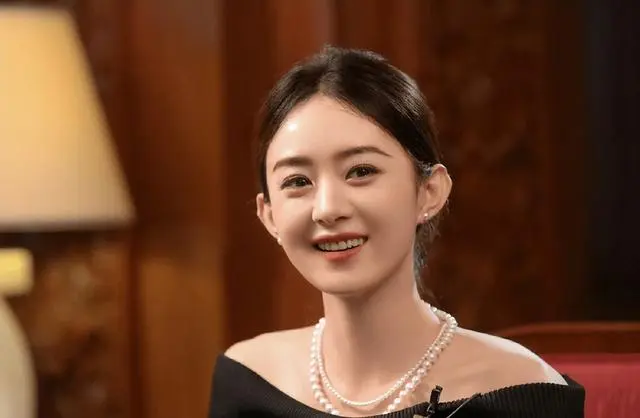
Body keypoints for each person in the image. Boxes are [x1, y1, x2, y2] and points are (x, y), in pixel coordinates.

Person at [209, 46, 585, 417]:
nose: (328, 209)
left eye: (361, 171)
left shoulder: (522, 393)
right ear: (269, 215)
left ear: (429, 191)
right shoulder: (247, 381)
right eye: (297, 181)